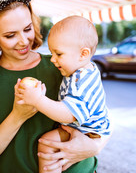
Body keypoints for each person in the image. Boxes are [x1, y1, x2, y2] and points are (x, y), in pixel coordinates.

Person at [0, 0, 112, 173]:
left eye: (27, 29)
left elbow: (98, 116)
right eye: (10, 35)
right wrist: (17, 116)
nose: (23, 41)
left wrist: (95, 147)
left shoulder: (61, 65)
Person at [16, 15, 112, 173]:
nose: (53, 60)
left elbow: (68, 114)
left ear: (83, 54)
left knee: (47, 143)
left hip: (87, 132)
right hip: (85, 129)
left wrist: (38, 100)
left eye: (59, 54)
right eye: (52, 53)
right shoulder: (82, 70)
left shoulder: (81, 81)